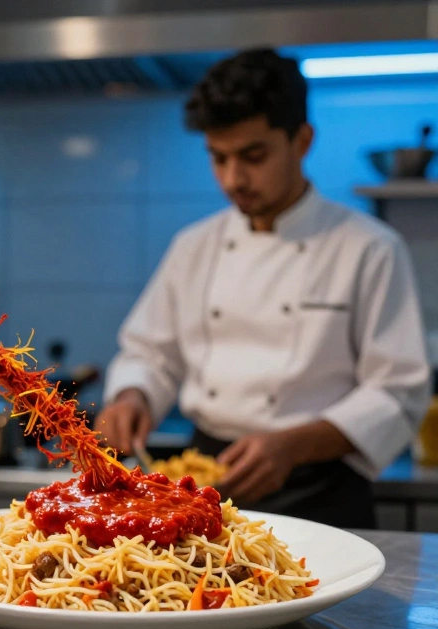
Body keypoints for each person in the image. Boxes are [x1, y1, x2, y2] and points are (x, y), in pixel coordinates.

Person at [95, 48, 430, 528]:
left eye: (253, 156)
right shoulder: (194, 246)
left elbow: (398, 393)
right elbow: (151, 352)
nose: (234, 178)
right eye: (219, 158)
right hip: (203, 488)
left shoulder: (369, 248)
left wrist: (293, 445)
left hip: (321, 495)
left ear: (302, 140)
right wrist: (132, 397)